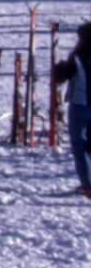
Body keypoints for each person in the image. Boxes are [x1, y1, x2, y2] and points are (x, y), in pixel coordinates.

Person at [50, 22, 91, 197]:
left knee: (80, 145)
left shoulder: (79, 56)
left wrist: (57, 68)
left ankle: (87, 185)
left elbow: (60, 75)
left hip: (81, 104)